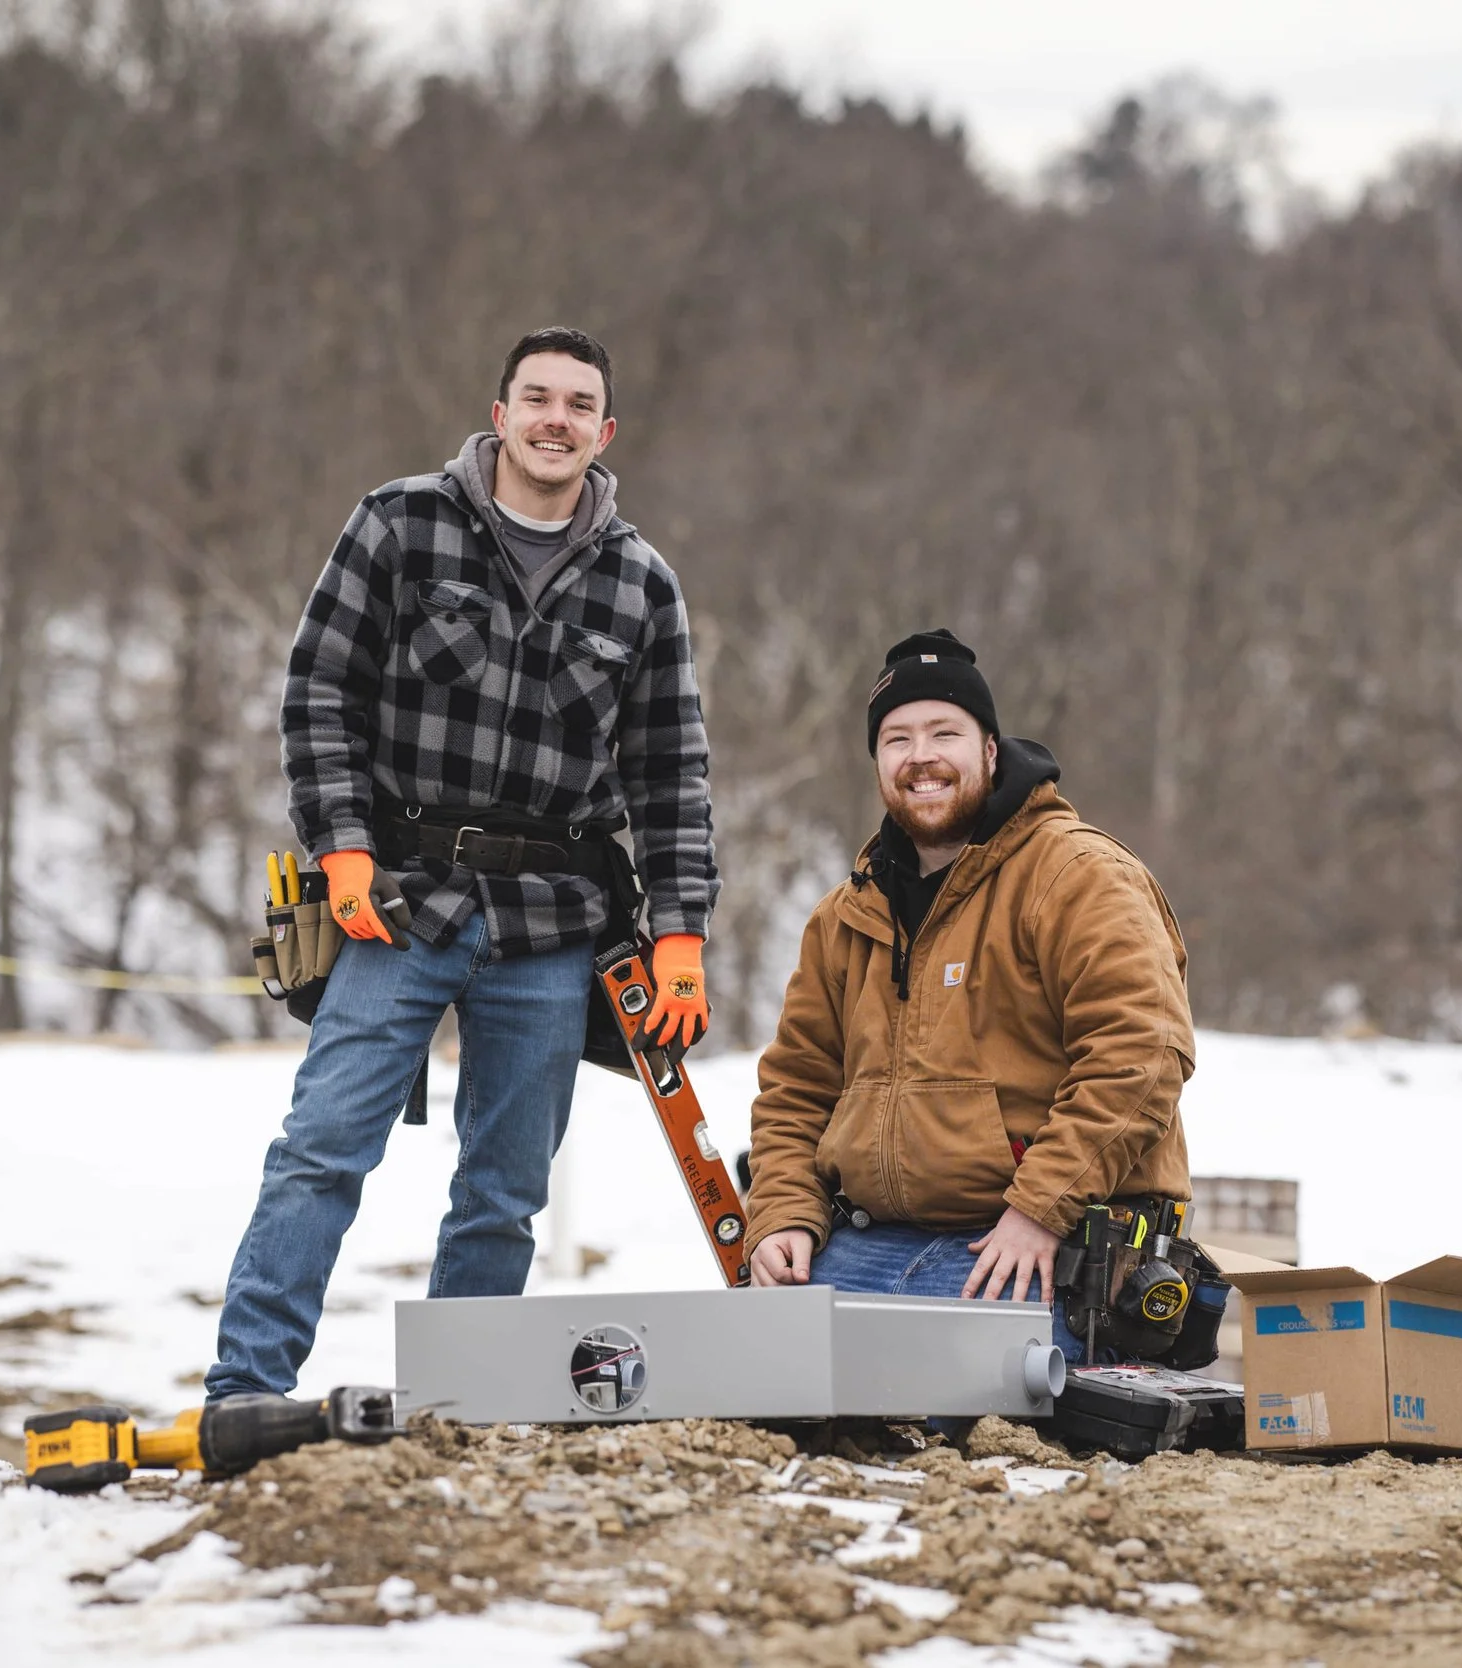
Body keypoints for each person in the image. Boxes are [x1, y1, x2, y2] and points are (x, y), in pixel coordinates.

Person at [207, 327, 717, 1403]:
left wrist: (680, 933)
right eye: (537, 398)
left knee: (505, 1192)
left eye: (579, 405)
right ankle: (245, 1389)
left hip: (553, 921)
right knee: (321, 1148)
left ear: (606, 433)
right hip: (398, 899)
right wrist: (343, 847)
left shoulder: (642, 586)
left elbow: (672, 772)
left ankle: (458, 1406)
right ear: (499, 414)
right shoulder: (400, 524)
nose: (555, 420)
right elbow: (319, 693)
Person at [743, 628, 1194, 1361]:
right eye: (897, 740)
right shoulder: (845, 916)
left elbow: (1142, 1057)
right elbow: (796, 1087)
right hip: (871, 1243)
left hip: (1038, 1241)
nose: (920, 756)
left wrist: (1041, 1208)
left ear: (989, 750)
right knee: (763, 1376)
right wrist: (784, 1213)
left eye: (943, 733)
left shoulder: (1077, 876)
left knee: (946, 1390)